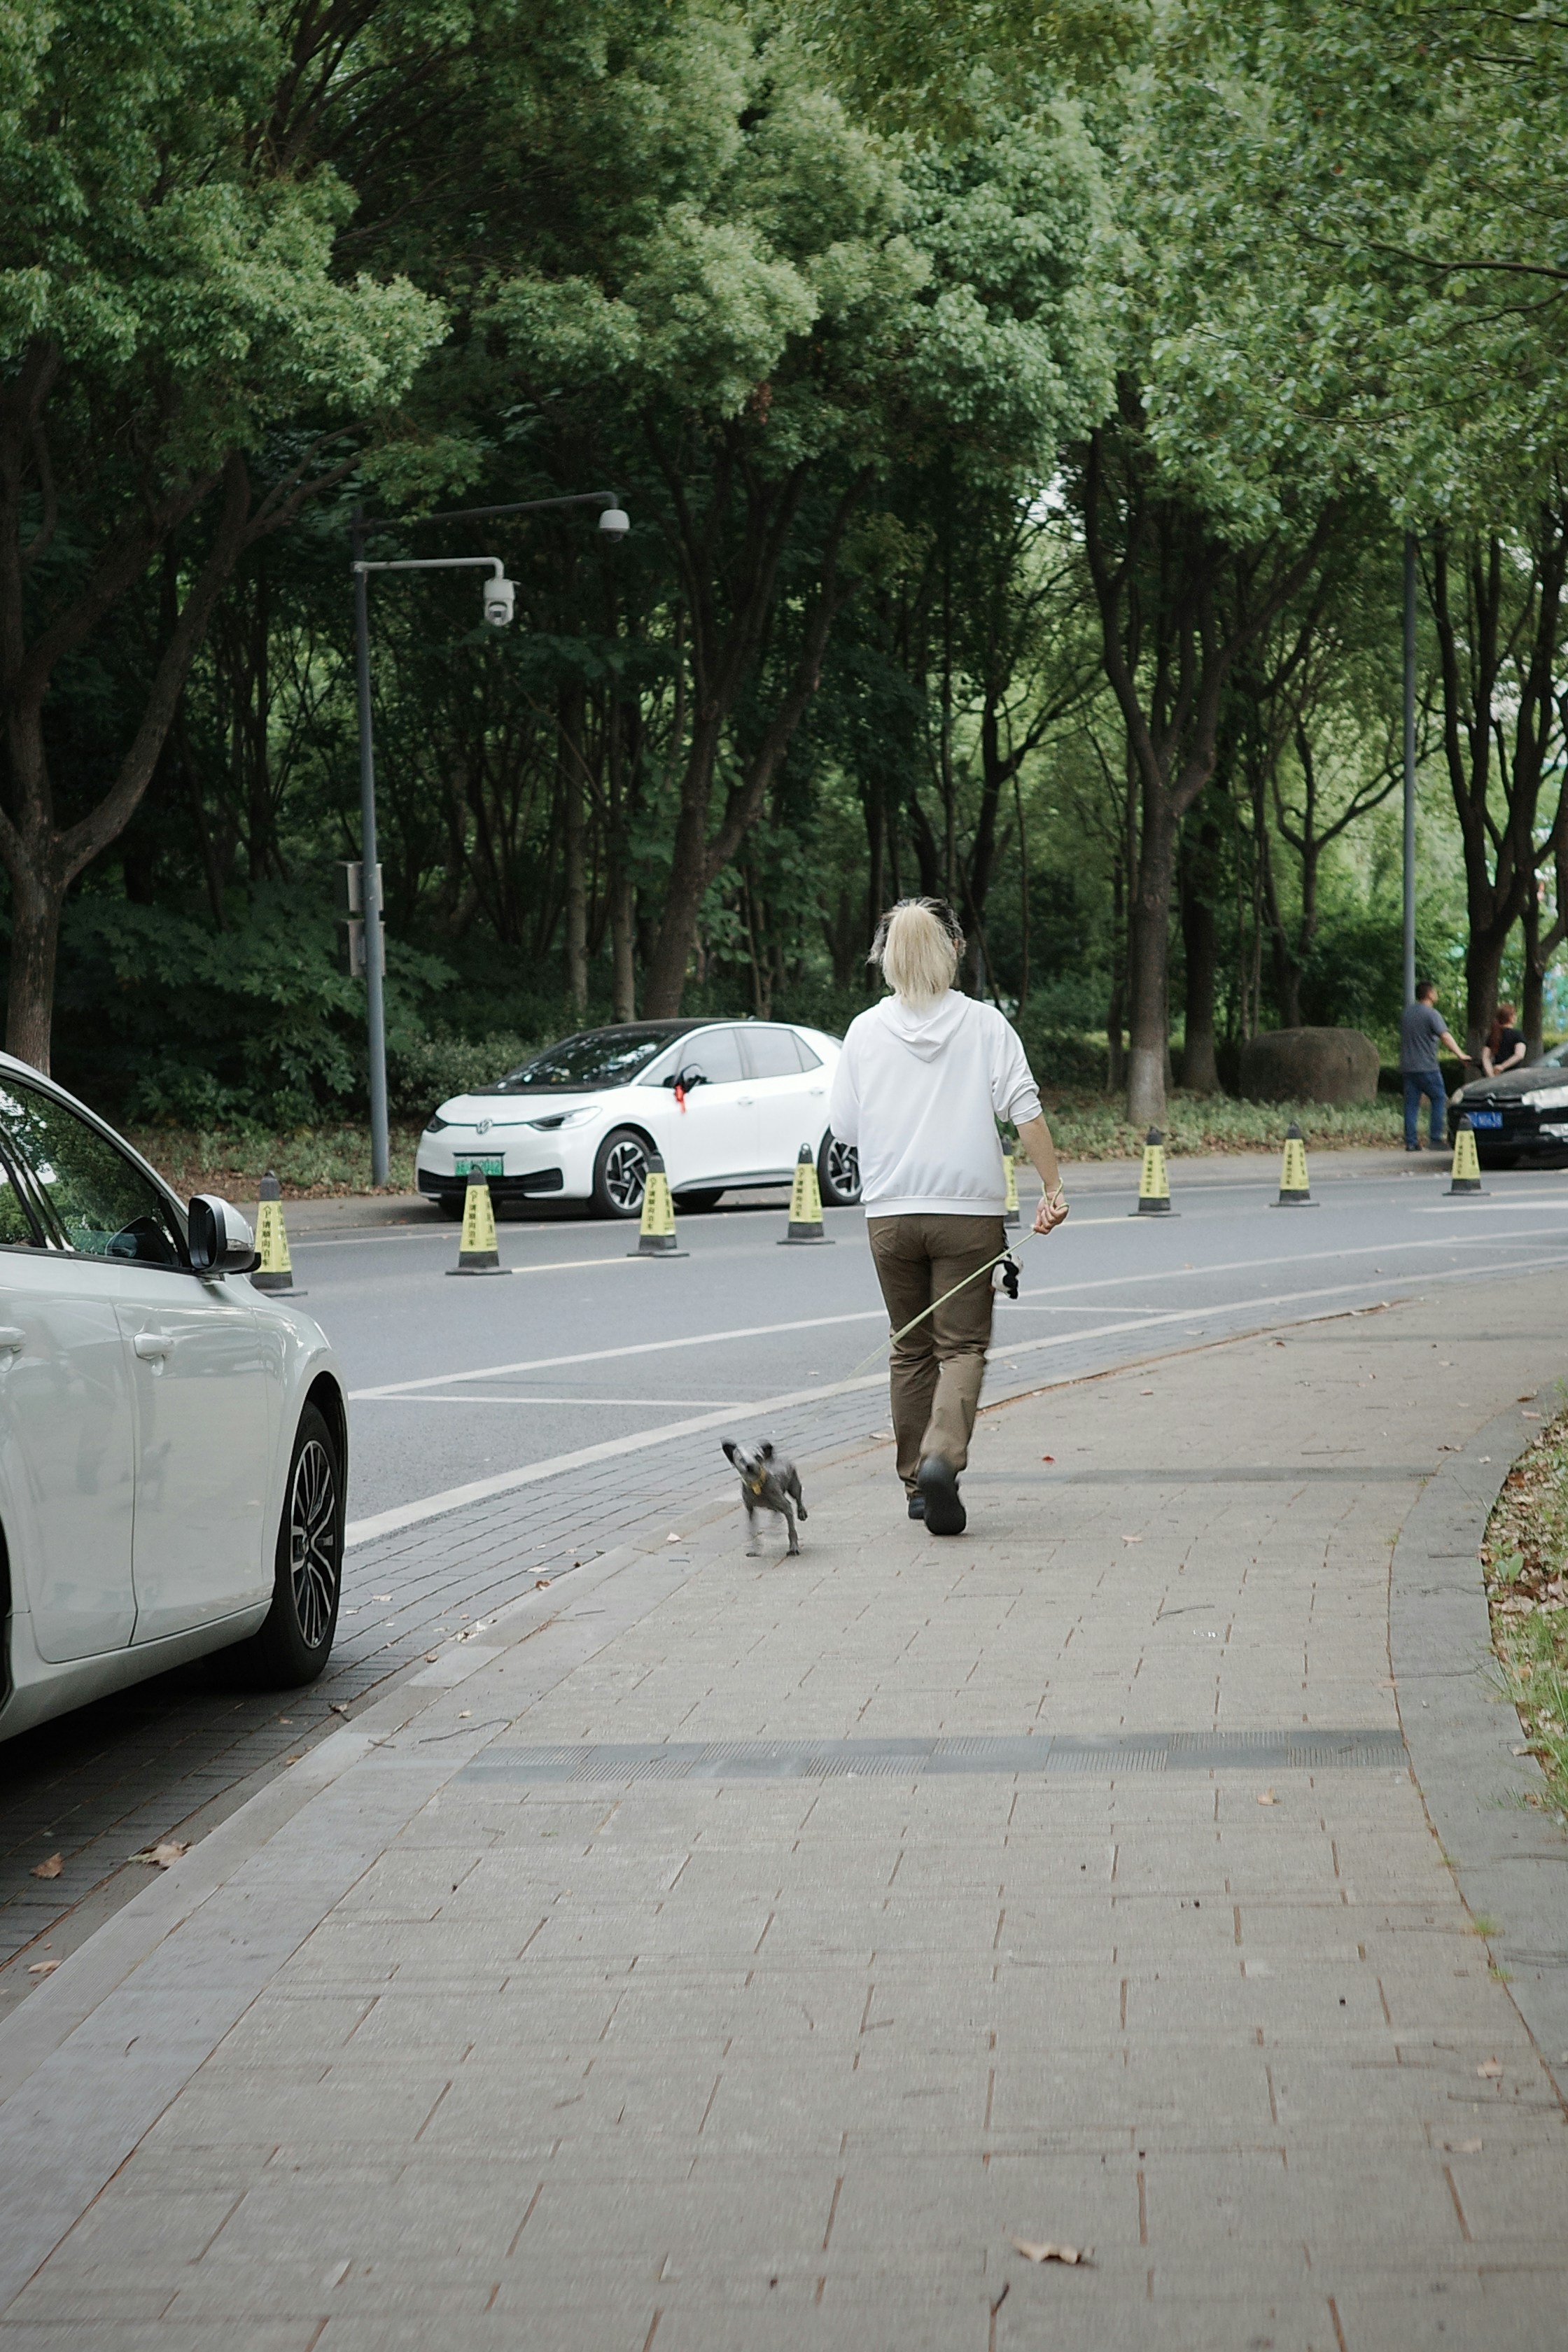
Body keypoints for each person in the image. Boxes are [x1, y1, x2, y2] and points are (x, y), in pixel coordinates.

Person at [827, 898, 1069, 1538]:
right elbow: (1026, 1112)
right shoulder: (985, 1025)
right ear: (952, 951)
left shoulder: (863, 1031)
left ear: (886, 959)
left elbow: (844, 1128)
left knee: (910, 1349)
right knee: (961, 1346)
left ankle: (915, 1483)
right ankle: (942, 1458)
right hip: (968, 1215)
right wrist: (1052, 1188)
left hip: (891, 1216)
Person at [1399, 979, 1468, 1150]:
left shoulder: (1406, 1014)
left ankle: (1411, 1142)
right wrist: (1460, 1054)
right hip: (1427, 1066)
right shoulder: (1432, 1014)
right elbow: (1445, 1036)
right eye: (1435, 991)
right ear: (1429, 994)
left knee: (1411, 1105)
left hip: (1408, 1067)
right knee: (1438, 1099)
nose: (1436, 994)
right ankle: (1436, 1139)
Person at [1482, 1003, 1527, 1078]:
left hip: (1498, 1076)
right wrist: (1502, 1066)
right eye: (1514, 1015)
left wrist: (1491, 1075)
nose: (1516, 1017)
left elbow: (1485, 1057)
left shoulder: (1493, 1035)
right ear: (1510, 1018)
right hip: (1514, 1076)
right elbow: (1519, 1055)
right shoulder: (1517, 1034)